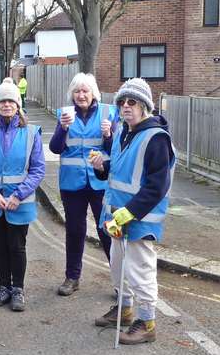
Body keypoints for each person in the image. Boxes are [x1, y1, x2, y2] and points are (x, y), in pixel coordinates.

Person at [90, 78, 175, 345]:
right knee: (118, 268)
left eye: (132, 102)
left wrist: (129, 213)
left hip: (140, 218)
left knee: (140, 272)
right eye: (122, 102)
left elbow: (157, 185)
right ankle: (125, 310)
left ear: (145, 106)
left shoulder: (156, 138)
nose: (126, 106)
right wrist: (101, 167)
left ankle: (147, 323)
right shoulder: (123, 132)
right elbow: (117, 172)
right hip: (116, 216)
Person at [0, 77, 45, 311]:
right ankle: (4, 287)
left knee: (17, 246)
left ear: (18, 105)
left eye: (11, 101)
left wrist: (18, 195)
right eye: (2, 101)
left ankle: (18, 290)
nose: (6, 105)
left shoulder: (32, 133)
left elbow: (38, 169)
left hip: (18, 202)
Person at [49, 73, 117, 296]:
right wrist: (62, 128)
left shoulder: (109, 113)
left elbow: (116, 150)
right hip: (72, 183)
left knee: (107, 231)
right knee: (75, 231)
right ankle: (72, 277)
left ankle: (119, 280)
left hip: (100, 182)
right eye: (77, 91)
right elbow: (56, 148)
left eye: (85, 91)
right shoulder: (64, 115)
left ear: (93, 93)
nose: (81, 95)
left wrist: (109, 135)